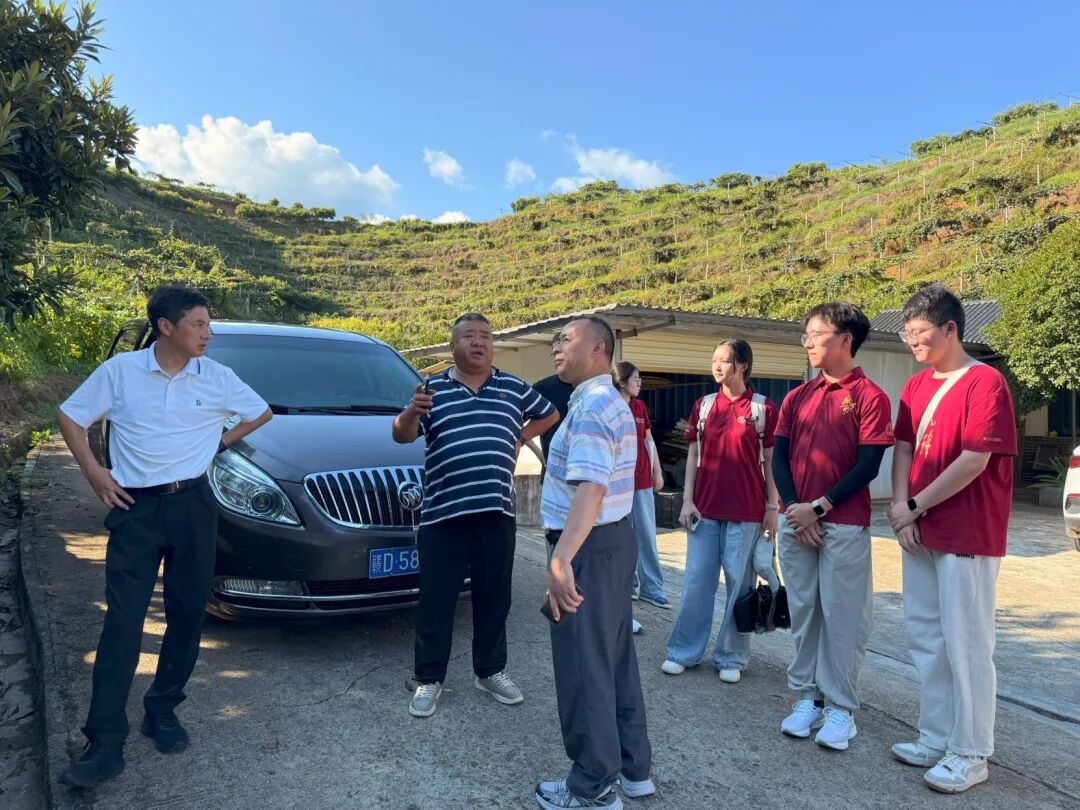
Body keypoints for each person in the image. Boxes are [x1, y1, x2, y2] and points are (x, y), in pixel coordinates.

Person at [55, 285, 272, 788]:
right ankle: (104, 741)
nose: (208, 334)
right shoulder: (121, 372)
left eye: (209, 324)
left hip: (194, 506)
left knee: (188, 612)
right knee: (123, 622)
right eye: (198, 324)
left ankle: (162, 709)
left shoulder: (216, 376)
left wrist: (217, 443)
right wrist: (94, 471)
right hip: (135, 510)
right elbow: (69, 415)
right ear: (166, 327)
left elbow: (260, 412)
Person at [392, 312, 558, 718]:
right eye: (469, 336)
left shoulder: (513, 387)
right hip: (442, 515)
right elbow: (401, 435)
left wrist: (520, 436)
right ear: (454, 346)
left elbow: (550, 413)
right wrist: (411, 412)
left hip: (496, 511)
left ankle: (490, 670)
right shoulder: (431, 389)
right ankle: (429, 678)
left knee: (494, 597)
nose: (479, 342)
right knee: (437, 600)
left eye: (485, 336)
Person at [887, 285, 1017, 794]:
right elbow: (903, 448)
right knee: (926, 637)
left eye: (920, 333)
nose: (912, 342)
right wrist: (903, 511)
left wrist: (914, 506)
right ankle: (935, 736)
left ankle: (971, 751)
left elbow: (974, 459)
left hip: (967, 529)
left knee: (967, 642)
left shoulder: (985, 382)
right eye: (907, 333)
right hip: (920, 529)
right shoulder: (915, 386)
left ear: (950, 329)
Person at [535, 316, 653, 810]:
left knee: (584, 666)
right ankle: (632, 768)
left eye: (567, 339)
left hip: (586, 546)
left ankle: (593, 784)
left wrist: (561, 559)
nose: (557, 346)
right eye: (556, 339)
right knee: (613, 658)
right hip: (610, 542)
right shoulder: (608, 401)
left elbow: (591, 488)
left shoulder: (591, 407)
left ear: (599, 347)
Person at [771, 302, 894, 751]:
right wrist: (794, 509)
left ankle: (841, 708)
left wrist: (818, 509)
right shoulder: (797, 397)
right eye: (805, 334)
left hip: (842, 524)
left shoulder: (870, 397)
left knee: (843, 618)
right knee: (805, 613)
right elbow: (779, 458)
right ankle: (807, 698)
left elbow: (868, 465)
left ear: (845, 339)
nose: (807, 342)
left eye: (816, 334)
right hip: (796, 521)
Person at [662, 339, 779, 684]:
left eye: (724, 361)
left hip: (747, 511)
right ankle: (683, 651)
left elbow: (771, 461)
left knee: (740, 586)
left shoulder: (762, 408)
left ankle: (732, 656)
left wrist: (772, 507)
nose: (716, 366)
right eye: (714, 360)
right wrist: (687, 500)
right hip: (705, 509)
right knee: (697, 582)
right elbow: (693, 456)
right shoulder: (704, 405)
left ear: (743, 365)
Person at [612, 361, 667, 608]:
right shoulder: (610, 407)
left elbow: (648, 440)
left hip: (642, 480)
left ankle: (652, 588)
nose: (640, 383)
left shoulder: (639, 406)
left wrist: (657, 470)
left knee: (646, 534)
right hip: (617, 484)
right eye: (635, 379)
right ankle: (629, 584)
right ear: (622, 382)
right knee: (623, 536)